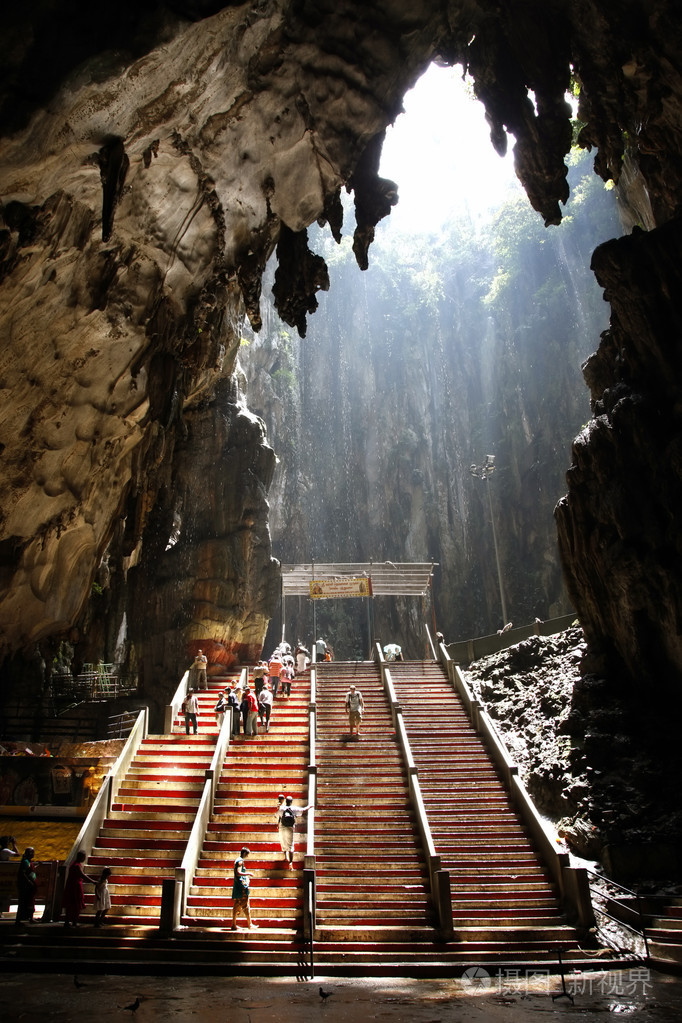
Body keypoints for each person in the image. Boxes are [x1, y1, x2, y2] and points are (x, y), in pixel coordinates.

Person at [62, 849, 96, 929]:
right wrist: (93, 881)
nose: (84, 859)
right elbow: (82, 875)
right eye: (84, 857)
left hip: (71, 886)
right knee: (75, 904)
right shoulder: (77, 866)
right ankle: (74, 921)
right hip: (75, 887)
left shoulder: (73, 864)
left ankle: (68, 921)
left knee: (70, 905)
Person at [276, 794, 312, 869]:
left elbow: (277, 816)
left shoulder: (282, 808)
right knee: (290, 844)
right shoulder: (294, 808)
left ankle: (285, 857)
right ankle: (291, 862)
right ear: (291, 802)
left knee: (283, 842)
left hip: (282, 827)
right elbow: (303, 810)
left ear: (286, 801)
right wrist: (310, 806)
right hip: (290, 828)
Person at [231, 846, 257, 930]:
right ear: (245, 853)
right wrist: (248, 873)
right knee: (245, 905)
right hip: (241, 887)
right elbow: (238, 873)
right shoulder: (240, 861)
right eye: (247, 854)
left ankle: (233, 924)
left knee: (237, 905)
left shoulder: (237, 860)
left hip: (238, 886)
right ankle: (250, 924)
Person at [15, 846, 36, 925]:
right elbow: (23, 873)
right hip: (25, 886)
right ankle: (18, 920)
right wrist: (29, 881)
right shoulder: (25, 862)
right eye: (32, 852)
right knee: (23, 903)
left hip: (29, 886)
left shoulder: (28, 861)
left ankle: (30, 918)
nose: (33, 854)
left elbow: (29, 870)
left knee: (30, 902)